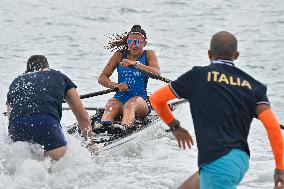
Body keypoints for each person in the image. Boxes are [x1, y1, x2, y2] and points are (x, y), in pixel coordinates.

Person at [149, 31, 284, 189]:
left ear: (209, 54)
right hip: (238, 160)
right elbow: (273, 128)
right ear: (237, 55)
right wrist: (280, 169)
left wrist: (175, 127)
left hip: (218, 164)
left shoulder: (196, 77)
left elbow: (156, 99)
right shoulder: (253, 86)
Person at [6, 55, 92, 160]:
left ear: (27, 71)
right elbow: (83, 117)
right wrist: (90, 143)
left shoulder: (16, 82)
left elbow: (10, 117)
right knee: (57, 171)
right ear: (47, 68)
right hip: (46, 122)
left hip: (16, 127)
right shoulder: (58, 76)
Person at [98, 25, 160, 132]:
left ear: (144, 43)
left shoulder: (149, 54)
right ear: (127, 42)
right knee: (111, 103)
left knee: (130, 104)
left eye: (137, 42)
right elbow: (102, 78)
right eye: (131, 42)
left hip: (140, 101)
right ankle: (104, 126)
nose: (134, 46)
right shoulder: (119, 55)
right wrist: (115, 86)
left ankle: (124, 128)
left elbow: (157, 73)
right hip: (120, 98)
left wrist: (136, 64)